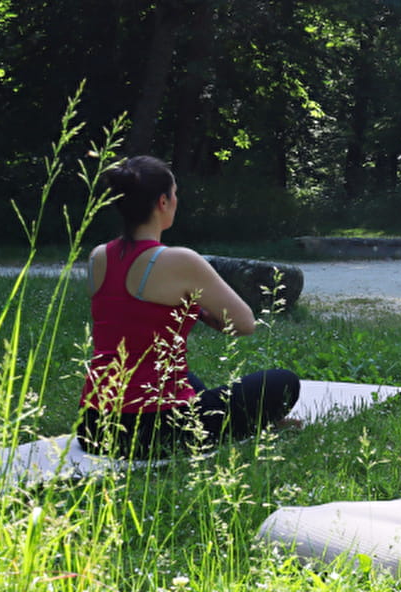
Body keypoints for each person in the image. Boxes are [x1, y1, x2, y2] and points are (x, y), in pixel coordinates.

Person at [77, 155, 300, 457]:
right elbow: (245, 323)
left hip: (93, 426)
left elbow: (132, 316)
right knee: (283, 383)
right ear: (163, 202)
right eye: (175, 193)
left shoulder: (98, 256)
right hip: (152, 431)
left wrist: (194, 311)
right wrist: (206, 315)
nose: (176, 200)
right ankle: (243, 424)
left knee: (186, 378)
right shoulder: (180, 260)